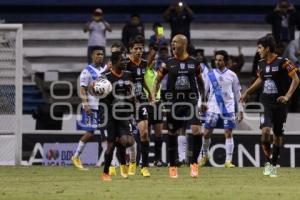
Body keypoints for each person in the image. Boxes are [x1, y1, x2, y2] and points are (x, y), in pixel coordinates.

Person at [240, 35, 299, 177]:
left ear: (267, 48)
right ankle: (269, 162)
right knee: (265, 132)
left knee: (278, 136)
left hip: (280, 104)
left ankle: (273, 164)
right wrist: (247, 92)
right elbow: (261, 79)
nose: (258, 50)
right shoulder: (261, 64)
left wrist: (287, 96)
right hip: (265, 103)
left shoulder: (283, 62)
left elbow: (296, 79)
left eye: (260, 48)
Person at [152, 34, 205, 178]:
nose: (172, 44)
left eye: (175, 42)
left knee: (196, 130)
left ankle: (193, 164)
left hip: (191, 100)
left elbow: (200, 82)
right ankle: (173, 166)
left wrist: (204, 99)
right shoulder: (167, 62)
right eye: (172, 42)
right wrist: (153, 97)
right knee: (172, 133)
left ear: (183, 44)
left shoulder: (194, 62)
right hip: (173, 102)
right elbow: (156, 81)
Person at [199, 50, 243, 168]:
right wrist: (200, 104)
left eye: (220, 60)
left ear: (226, 61)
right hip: (212, 108)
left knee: (228, 133)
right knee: (206, 133)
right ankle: (204, 155)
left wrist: (241, 110)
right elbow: (204, 91)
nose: (217, 62)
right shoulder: (211, 74)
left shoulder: (232, 75)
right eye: (216, 60)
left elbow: (238, 93)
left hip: (227, 108)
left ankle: (228, 161)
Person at [100, 50, 135, 181]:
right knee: (110, 145)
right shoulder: (105, 76)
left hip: (123, 114)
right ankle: (105, 172)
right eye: (122, 60)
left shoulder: (128, 75)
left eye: (125, 59)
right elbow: (96, 92)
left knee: (128, 141)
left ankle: (122, 163)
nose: (125, 62)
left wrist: (134, 104)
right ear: (114, 62)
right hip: (110, 115)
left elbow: (130, 93)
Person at [72, 47, 106, 170]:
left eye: (102, 54)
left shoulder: (105, 70)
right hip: (91, 106)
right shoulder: (87, 71)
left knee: (105, 134)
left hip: (103, 107)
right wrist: (85, 104)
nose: (100, 56)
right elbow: (82, 89)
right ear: (92, 56)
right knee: (90, 133)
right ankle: (76, 156)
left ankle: (110, 162)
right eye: (97, 54)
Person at [125, 35, 152, 177]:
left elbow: (142, 81)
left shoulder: (144, 63)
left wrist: (150, 93)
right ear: (130, 50)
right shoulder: (125, 63)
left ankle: (145, 166)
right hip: (126, 101)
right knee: (127, 136)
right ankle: (131, 162)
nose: (138, 51)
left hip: (140, 100)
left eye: (141, 48)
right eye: (136, 48)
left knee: (145, 133)